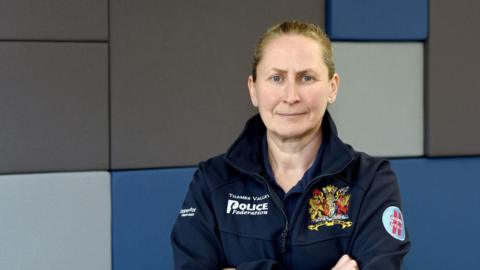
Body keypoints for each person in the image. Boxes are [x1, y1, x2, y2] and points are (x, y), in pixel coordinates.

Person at [171, 20, 410, 270]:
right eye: (276, 78)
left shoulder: (371, 181)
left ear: (332, 86)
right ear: (254, 89)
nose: (291, 96)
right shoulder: (212, 182)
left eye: (306, 78)